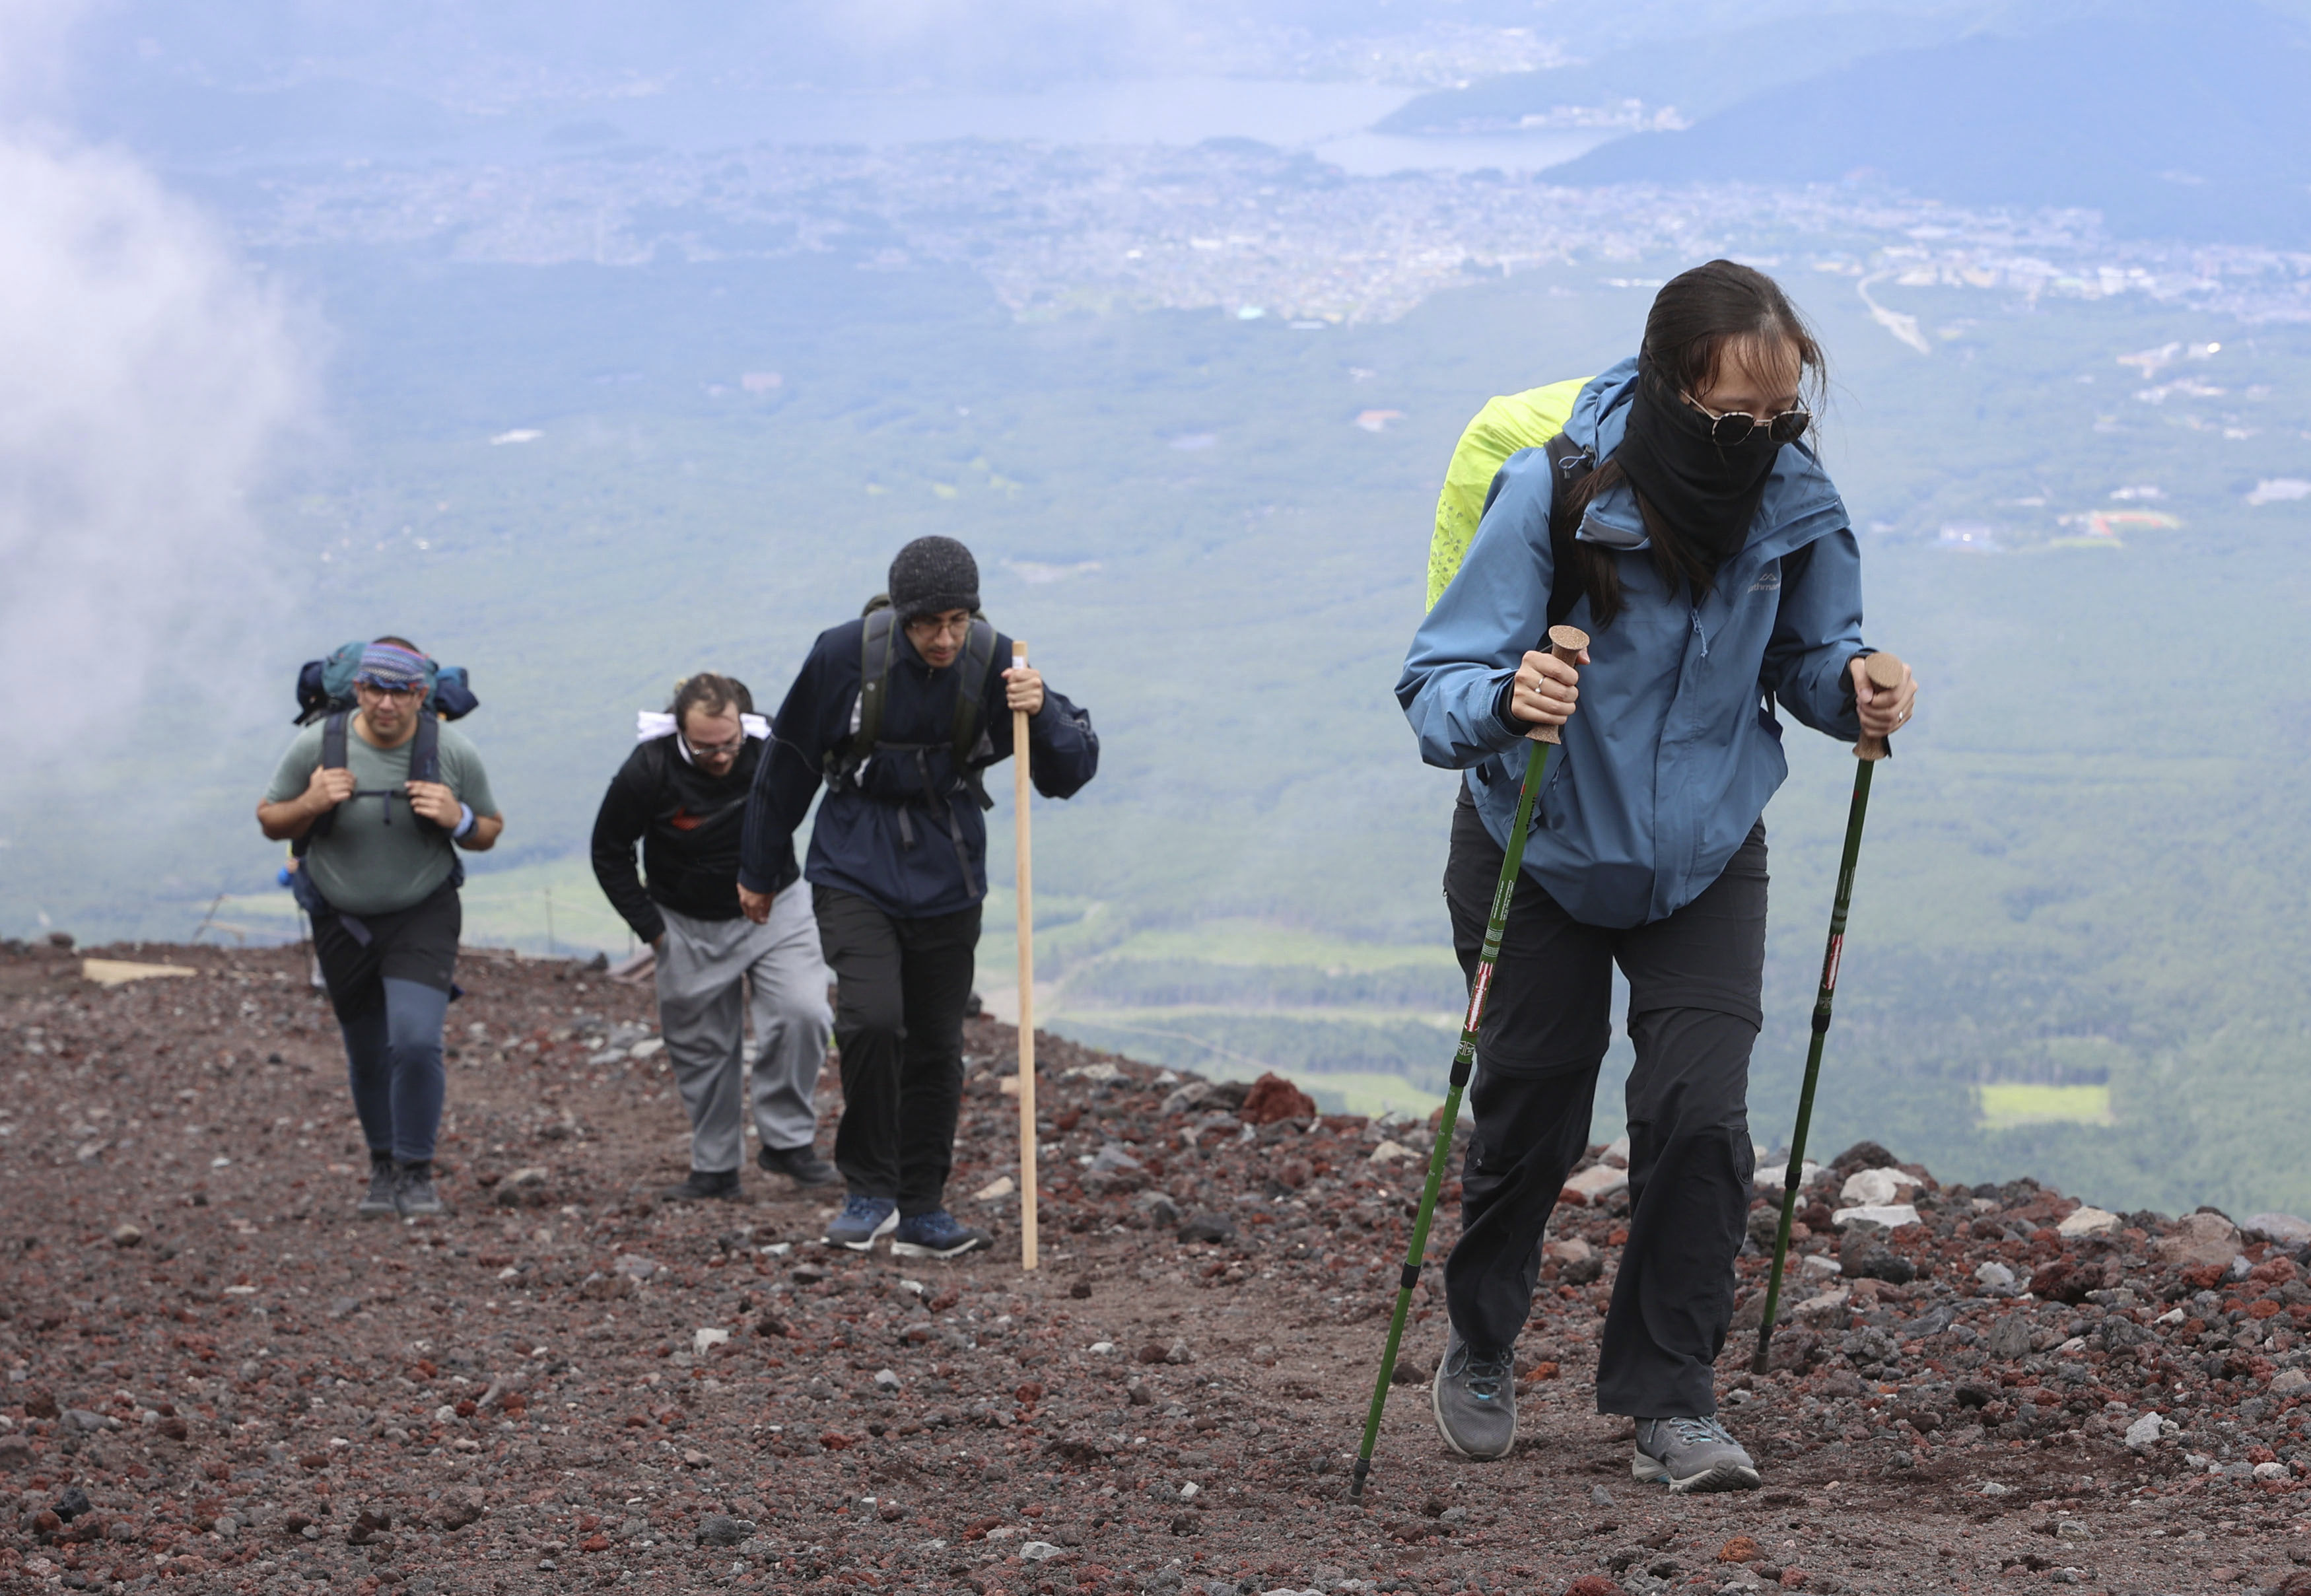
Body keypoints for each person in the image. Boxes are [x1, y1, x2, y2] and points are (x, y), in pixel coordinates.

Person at [1397, 261, 1919, 1492]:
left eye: (1778, 413)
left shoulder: (1796, 498)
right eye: (1731, 413)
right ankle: (1481, 1338)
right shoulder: (1557, 491)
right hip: (1540, 839)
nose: (1754, 437)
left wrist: (1856, 687)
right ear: (1673, 387)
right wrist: (1508, 693)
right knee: (1533, 1112)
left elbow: (1810, 655)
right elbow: (1435, 687)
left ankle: (1672, 1400)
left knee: (1699, 1116)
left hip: (1705, 852)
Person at [738, 536, 1099, 1259]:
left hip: (950, 867)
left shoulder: (998, 660)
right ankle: (867, 1190)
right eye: (928, 623)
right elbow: (789, 761)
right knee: (872, 1019)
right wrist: (759, 865)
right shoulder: (843, 655)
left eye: (957, 621)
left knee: (937, 1039)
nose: (943, 637)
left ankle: (923, 1206)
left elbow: (1068, 771)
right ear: (901, 616)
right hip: (852, 859)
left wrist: (1044, 712)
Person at [258, 637, 505, 1218]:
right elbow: (271, 819)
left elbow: (490, 827)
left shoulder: (452, 750)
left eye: (401, 691)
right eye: (375, 689)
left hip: (423, 910)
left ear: (422, 694)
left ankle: (417, 1172)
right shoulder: (319, 744)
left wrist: (459, 817)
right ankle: (383, 1167)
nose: (386, 704)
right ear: (358, 689)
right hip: (340, 916)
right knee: (367, 1053)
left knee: (416, 1041)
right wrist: (312, 802)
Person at [591, 672, 837, 1201]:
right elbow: (609, 851)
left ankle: (788, 1142)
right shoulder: (648, 770)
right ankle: (716, 1166)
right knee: (702, 1049)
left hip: (777, 907)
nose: (721, 757)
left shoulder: (774, 744)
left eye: (728, 744)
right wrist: (654, 932)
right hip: (685, 920)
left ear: (743, 725)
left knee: (805, 1012)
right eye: (704, 749)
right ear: (680, 732)